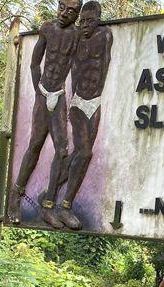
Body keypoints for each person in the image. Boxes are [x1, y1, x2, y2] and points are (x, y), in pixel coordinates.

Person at [5, 0, 81, 225]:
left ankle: (48, 202)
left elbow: (77, 67)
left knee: (63, 149)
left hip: (58, 96)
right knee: (35, 145)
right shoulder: (47, 28)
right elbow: (34, 64)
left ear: (76, 15)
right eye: (61, 7)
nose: (64, 14)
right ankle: (15, 197)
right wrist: (39, 90)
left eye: (70, 11)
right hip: (43, 92)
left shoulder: (76, 35)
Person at [49, 0, 113, 230]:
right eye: (82, 21)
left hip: (94, 101)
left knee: (81, 153)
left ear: (98, 21)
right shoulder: (74, 37)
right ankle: (63, 205)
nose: (86, 25)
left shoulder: (104, 36)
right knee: (84, 153)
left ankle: (52, 192)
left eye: (90, 21)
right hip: (77, 100)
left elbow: (105, 63)